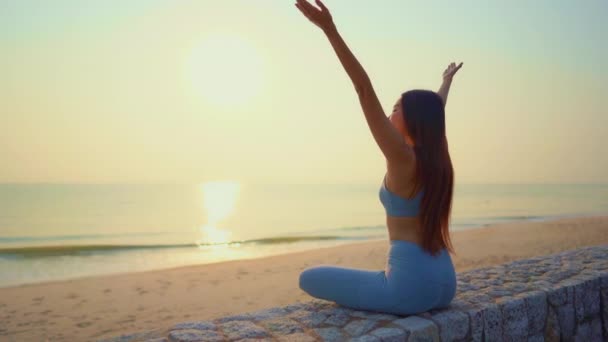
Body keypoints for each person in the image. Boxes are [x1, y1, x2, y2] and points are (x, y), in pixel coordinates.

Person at [295, 0, 464, 315]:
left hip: (410, 288)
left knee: (308, 278)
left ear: (412, 120)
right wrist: (445, 83)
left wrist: (330, 30)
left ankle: (384, 283)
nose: (390, 111)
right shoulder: (433, 160)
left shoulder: (402, 158)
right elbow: (435, 113)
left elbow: (363, 88)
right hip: (445, 281)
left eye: (397, 107)